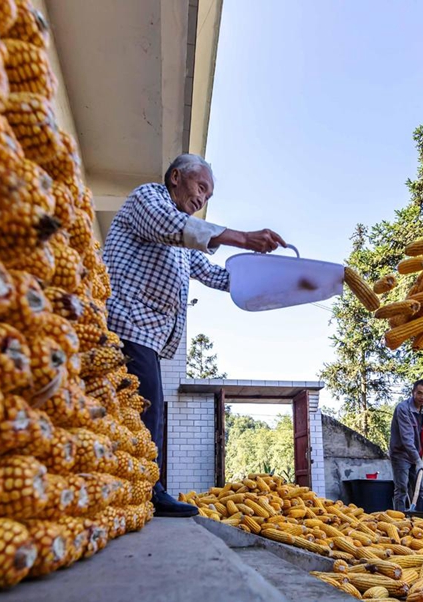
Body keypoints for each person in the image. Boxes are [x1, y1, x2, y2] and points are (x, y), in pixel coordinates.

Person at [103, 153, 286, 517]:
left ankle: (133, 488)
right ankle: (147, 491)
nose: (203, 198)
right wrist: (243, 238)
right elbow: (169, 223)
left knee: (142, 414)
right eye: (201, 187)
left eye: (209, 195)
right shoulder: (149, 199)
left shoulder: (184, 242)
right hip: (124, 323)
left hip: (148, 336)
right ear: (175, 177)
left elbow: (217, 275)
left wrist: (281, 282)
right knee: (148, 412)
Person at [389, 379, 423, 513]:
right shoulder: (403, 409)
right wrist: (418, 461)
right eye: (419, 393)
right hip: (401, 453)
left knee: (420, 489)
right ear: (413, 392)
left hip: (418, 453)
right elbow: (407, 439)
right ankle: (400, 519)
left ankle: (422, 520)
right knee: (402, 488)